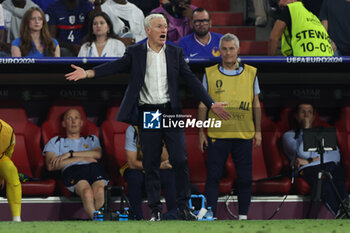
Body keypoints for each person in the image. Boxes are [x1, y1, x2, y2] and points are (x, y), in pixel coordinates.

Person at [65, 13, 230, 221]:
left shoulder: (175, 52)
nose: (164, 30)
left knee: (180, 159)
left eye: (166, 26)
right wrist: (88, 73)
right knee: (151, 162)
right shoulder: (135, 52)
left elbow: (191, 80)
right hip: (149, 112)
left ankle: (183, 207)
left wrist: (211, 103)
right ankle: (154, 210)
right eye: (159, 26)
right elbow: (114, 66)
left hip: (170, 111)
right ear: (148, 31)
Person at [198, 33, 262, 220]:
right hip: (218, 134)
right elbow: (203, 105)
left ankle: (243, 216)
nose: (228, 53)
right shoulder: (210, 73)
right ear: (219, 51)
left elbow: (256, 103)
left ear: (238, 50)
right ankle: (210, 214)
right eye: (224, 49)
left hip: (244, 134)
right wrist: (201, 132)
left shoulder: (251, 73)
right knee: (213, 176)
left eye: (231, 48)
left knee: (244, 178)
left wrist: (258, 131)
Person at [282, 103, 349, 217]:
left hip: (328, 167)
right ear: (296, 116)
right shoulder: (289, 136)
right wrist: (306, 130)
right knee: (325, 182)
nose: (306, 116)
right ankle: (341, 213)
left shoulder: (323, 133)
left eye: (309, 112)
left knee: (336, 170)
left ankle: (345, 207)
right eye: (303, 112)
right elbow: (303, 153)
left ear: (313, 117)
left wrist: (310, 160)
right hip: (307, 170)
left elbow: (335, 156)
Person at [43, 108, 109, 220]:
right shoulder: (56, 141)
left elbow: (97, 154)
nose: (73, 121)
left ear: (81, 123)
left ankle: (98, 224)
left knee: (100, 191)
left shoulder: (91, 139)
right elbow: (51, 165)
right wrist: (81, 158)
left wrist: (70, 154)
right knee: (87, 192)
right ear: (63, 123)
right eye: (69, 118)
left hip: (93, 168)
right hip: (73, 170)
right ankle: (98, 224)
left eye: (76, 118)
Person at [121, 125, 177, 220]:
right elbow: (132, 163)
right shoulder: (133, 130)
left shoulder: (160, 128)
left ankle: (174, 215)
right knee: (134, 177)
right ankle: (137, 217)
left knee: (169, 176)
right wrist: (158, 166)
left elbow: (168, 160)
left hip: (155, 168)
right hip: (138, 168)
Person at [268, 0, 333, 56]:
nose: (280, 3)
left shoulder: (291, 8)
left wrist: (269, 66)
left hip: (304, 62)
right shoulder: (314, 18)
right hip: (327, 63)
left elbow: (273, 38)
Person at [0, 119, 22, 222]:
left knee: (11, 170)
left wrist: (2, 176)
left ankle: (16, 219)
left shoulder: (8, 132)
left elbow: (8, 154)